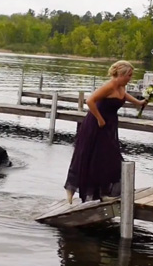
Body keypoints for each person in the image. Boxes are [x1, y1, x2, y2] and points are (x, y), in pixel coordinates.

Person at [63, 60, 147, 204]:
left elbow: (124, 96)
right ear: (121, 74)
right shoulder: (109, 86)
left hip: (109, 126)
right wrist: (100, 119)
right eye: (129, 75)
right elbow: (90, 101)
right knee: (87, 155)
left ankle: (103, 192)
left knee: (108, 158)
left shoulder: (121, 87)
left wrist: (138, 103)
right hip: (96, 124)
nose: (130, 78)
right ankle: (70, 191)